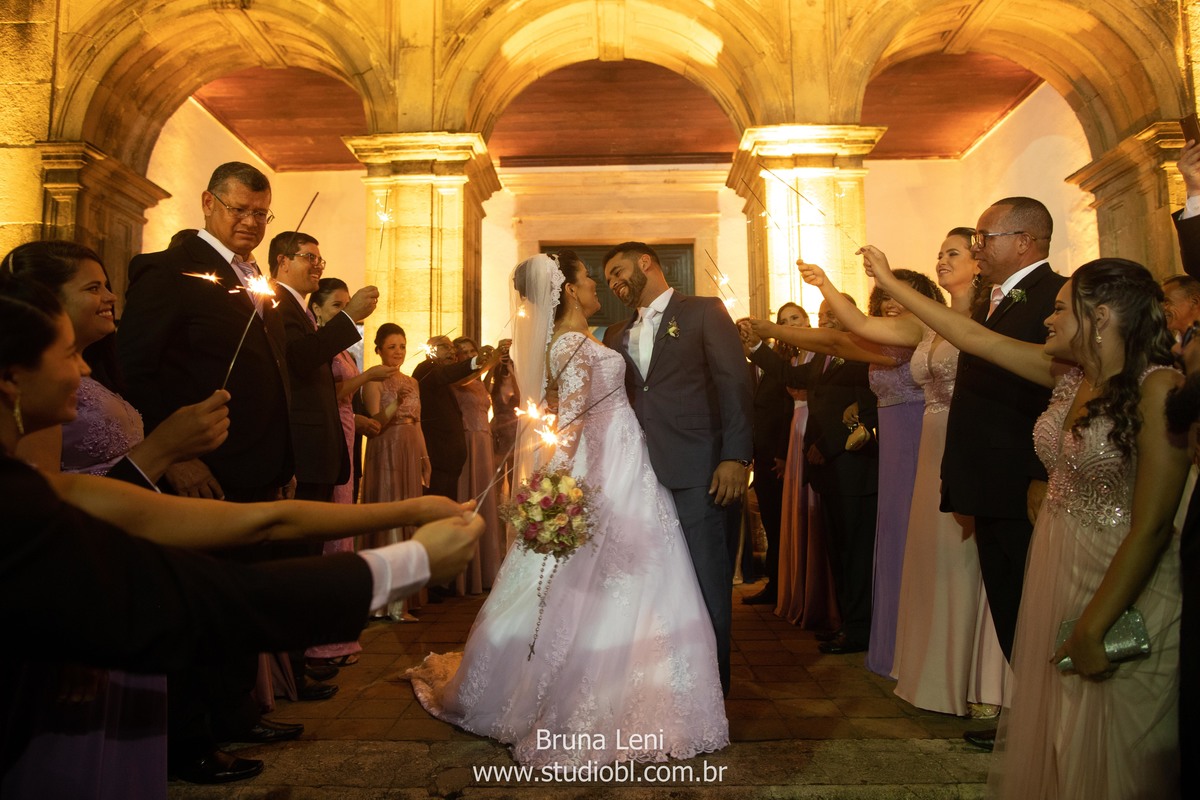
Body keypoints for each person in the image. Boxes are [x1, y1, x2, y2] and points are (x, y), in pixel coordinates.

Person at [0, 272, 483, 795]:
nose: (85, 368)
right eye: (68, 354)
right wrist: (413, 563)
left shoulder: (52, 492)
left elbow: (266, 521)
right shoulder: (20, 507)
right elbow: (220, 600)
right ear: (11, 377)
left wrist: (411, 509)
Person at [864, 249, 1185, 799]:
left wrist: (1093, 624)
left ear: (1100, 316)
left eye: (1061, 309)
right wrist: (892, 281)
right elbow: (974, 339)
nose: (1047, 319)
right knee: (1062, 722)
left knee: (1121, 731)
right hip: (1058, 559)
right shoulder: (1066, 374)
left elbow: (1154, 525)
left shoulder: (1162, 389)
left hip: (1123, 572)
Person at [405, 252, 728, 767]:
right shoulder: (573, 345)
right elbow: (573, 424)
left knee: (633, 576)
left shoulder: (586, 339)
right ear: (570, 291)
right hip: (609, 465)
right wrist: (566, 487)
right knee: (614, 578)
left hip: (627, 457)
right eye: (589, 280)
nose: (600, 285)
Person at [1, 241, 230, 800]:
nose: (110, 298)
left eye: (108, 284)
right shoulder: (40, 394)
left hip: (123, 560)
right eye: (93, 287)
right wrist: (162, 450)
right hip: (86, 581)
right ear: (45, 302)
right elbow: (48, 519)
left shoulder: (90, 372)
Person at [115, 161, 299, 781]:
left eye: (260, 213)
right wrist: (178, 454)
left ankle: (234, 710)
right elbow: (136, 370)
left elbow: (272, 370)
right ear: (208, 203)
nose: (250, 222)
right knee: (201, 602)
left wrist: (284, 458)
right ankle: (189, 739)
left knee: (240, 600)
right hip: (206, 469)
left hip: (257, 467)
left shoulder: (250, 279)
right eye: (239, 210)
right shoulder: (169, 272)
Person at [793, 233, 1008, 717]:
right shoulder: (929, 326)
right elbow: (855, 325)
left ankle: (982, 679)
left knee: (966, 557)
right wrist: (826, 283)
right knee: (932, 557)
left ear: (980, 262)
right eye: (941, 250)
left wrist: (887, 277)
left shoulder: (987, 318)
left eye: (953, 252)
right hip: (929, 442)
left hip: (961, 441)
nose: (942, 257)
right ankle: (939, 667)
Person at [938, 197, 1067, 749]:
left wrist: (1044, 470)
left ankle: (1057, 722)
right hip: (987, 477)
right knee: (1011, 607)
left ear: (1025, 241)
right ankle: (1033, 717)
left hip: (1025, 477)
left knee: (1040, 606)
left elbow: (1058, 389)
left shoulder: (1054, 294)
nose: (976, 247)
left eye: (985, 236)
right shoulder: (994, 299)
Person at [601, 242, 753, 694]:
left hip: (699, 467)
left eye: (617, 270)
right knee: (651, 584)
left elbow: (735, 383)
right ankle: (660, 689)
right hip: (636, 475)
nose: (612, 282)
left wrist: (735, 457)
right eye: (607, 278)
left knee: (707, 582)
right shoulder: (614, 334)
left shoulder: (704, 312)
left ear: (645, 261)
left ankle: (711, 694)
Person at [745, 297, 886, 656]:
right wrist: (757, 348)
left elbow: (867, 404)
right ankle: (844, 623)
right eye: (822, 315)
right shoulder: (823, 358)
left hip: (854, 465)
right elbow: (792, 377)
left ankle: (860, 629)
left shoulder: (862, 351)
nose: (826, 320)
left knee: (856, 553)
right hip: (827, 469)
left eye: (831, 315)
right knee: (838, 550)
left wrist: (828, 442)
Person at [305, 278, 394, 666]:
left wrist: (359, 418)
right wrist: (369, 377)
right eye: (337, 304)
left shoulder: (341, 349)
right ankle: (324, 639)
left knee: (343, 521)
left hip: (345, 429)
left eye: (346, 304)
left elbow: (344, 399)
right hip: (331, 431)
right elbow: (332, 393)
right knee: (332, 527)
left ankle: (339, 633)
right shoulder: (321, 346)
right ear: (319, 309)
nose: (344, 310)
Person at [361, 323, 430, 620]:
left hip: (411, 447)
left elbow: (418, 421)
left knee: (410, 514)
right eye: (392, 347)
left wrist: (425, 457)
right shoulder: (374, 380)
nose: (399, 352)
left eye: (402, 346)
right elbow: (375, 423)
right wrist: (396, 403)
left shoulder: (412, 381)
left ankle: (406, 596)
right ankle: (388, 602)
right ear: (378, 349)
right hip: (386, 448)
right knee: (390, 510)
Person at [740, 303, 808, 607]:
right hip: (761, 455)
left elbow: (785, 411)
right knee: (771, 521)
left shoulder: (783, 362)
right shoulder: (744, 367)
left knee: (787, 521)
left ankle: (791, 585)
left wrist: (782, 453)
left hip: (784, 453)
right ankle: (776, 584)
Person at [413, 335, 502, 498]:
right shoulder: (426, 368)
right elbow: (447, 374)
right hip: (438, 458)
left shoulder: (446, 376)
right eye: (445, 347)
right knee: (436, 511)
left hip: (450, 460)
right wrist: (476, 361)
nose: (452, 351)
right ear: (430, 351)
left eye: (452, 348)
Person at [451, 335, 503, 594]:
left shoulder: (479, 381)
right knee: (469, 496)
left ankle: (485, 571)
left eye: (472, 350)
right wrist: (486, 363)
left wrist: (494, 364)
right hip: (468, 440)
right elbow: (465, 378)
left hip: (484, 440)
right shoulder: (458, 379)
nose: (469, 354)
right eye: (463, 352)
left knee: (486, 501)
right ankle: (464, 574)